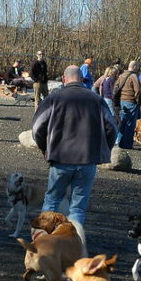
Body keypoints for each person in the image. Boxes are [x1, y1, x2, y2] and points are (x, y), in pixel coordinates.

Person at [31, 65, 116, 226]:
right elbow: (111, 127)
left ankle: (44, 244)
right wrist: (104, 149)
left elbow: (37, 128)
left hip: (60, 158)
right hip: (88, 159)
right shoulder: (96, 100)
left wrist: (45, 148)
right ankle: (74, 246)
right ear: (82, 79)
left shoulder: (54, 98)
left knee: (52, 202)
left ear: (64, 79)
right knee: (78, 208)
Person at [115, 60, 141, 149]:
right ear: (134, 67)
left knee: (122, 122)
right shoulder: (133, 76)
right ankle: (127, 144)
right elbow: (137, 90)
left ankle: (118, 143)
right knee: (130, 124)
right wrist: (137, 101)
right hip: (131, 101)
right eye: (137, 67)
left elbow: (116, 87)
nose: (138, 69)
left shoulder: (121, 75)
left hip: (122, 101)